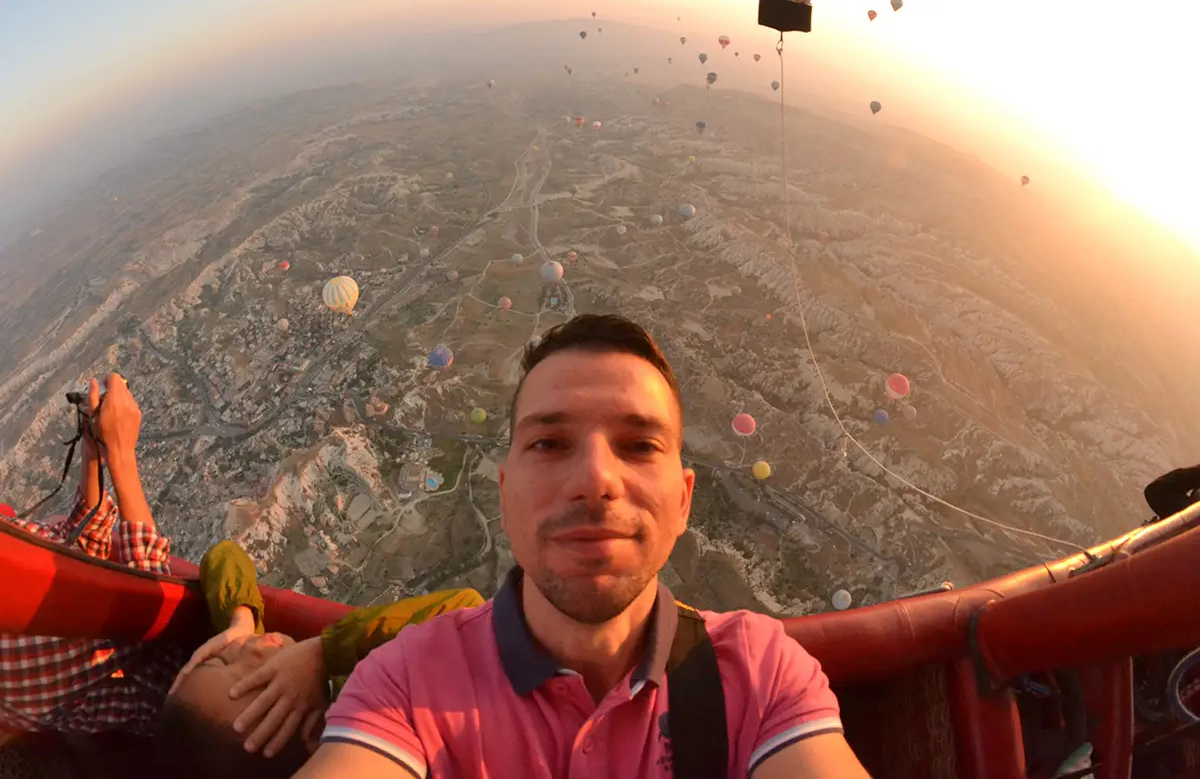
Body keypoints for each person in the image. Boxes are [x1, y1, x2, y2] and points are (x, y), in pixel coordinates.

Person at [298, 314, 869, 778]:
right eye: (549, 443)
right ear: (504, 494)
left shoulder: (760, 674)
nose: (596, 478)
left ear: (684, 503)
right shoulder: (405, 685)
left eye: (640, 444)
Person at [156, 540, 484, 777]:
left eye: (221, 661)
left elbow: (224, 554)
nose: (247, 649)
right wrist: (322, 654)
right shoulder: (371, 702)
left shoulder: (253, 652)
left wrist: (240, 621)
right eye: (256, 682)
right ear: (313, 735)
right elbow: (466, 608)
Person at [0, 373, 180, 738]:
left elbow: (75, 551)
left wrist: (93, 451)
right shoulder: (8, 648)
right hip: (177, 695)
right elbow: (151, 620)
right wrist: (121, 455)